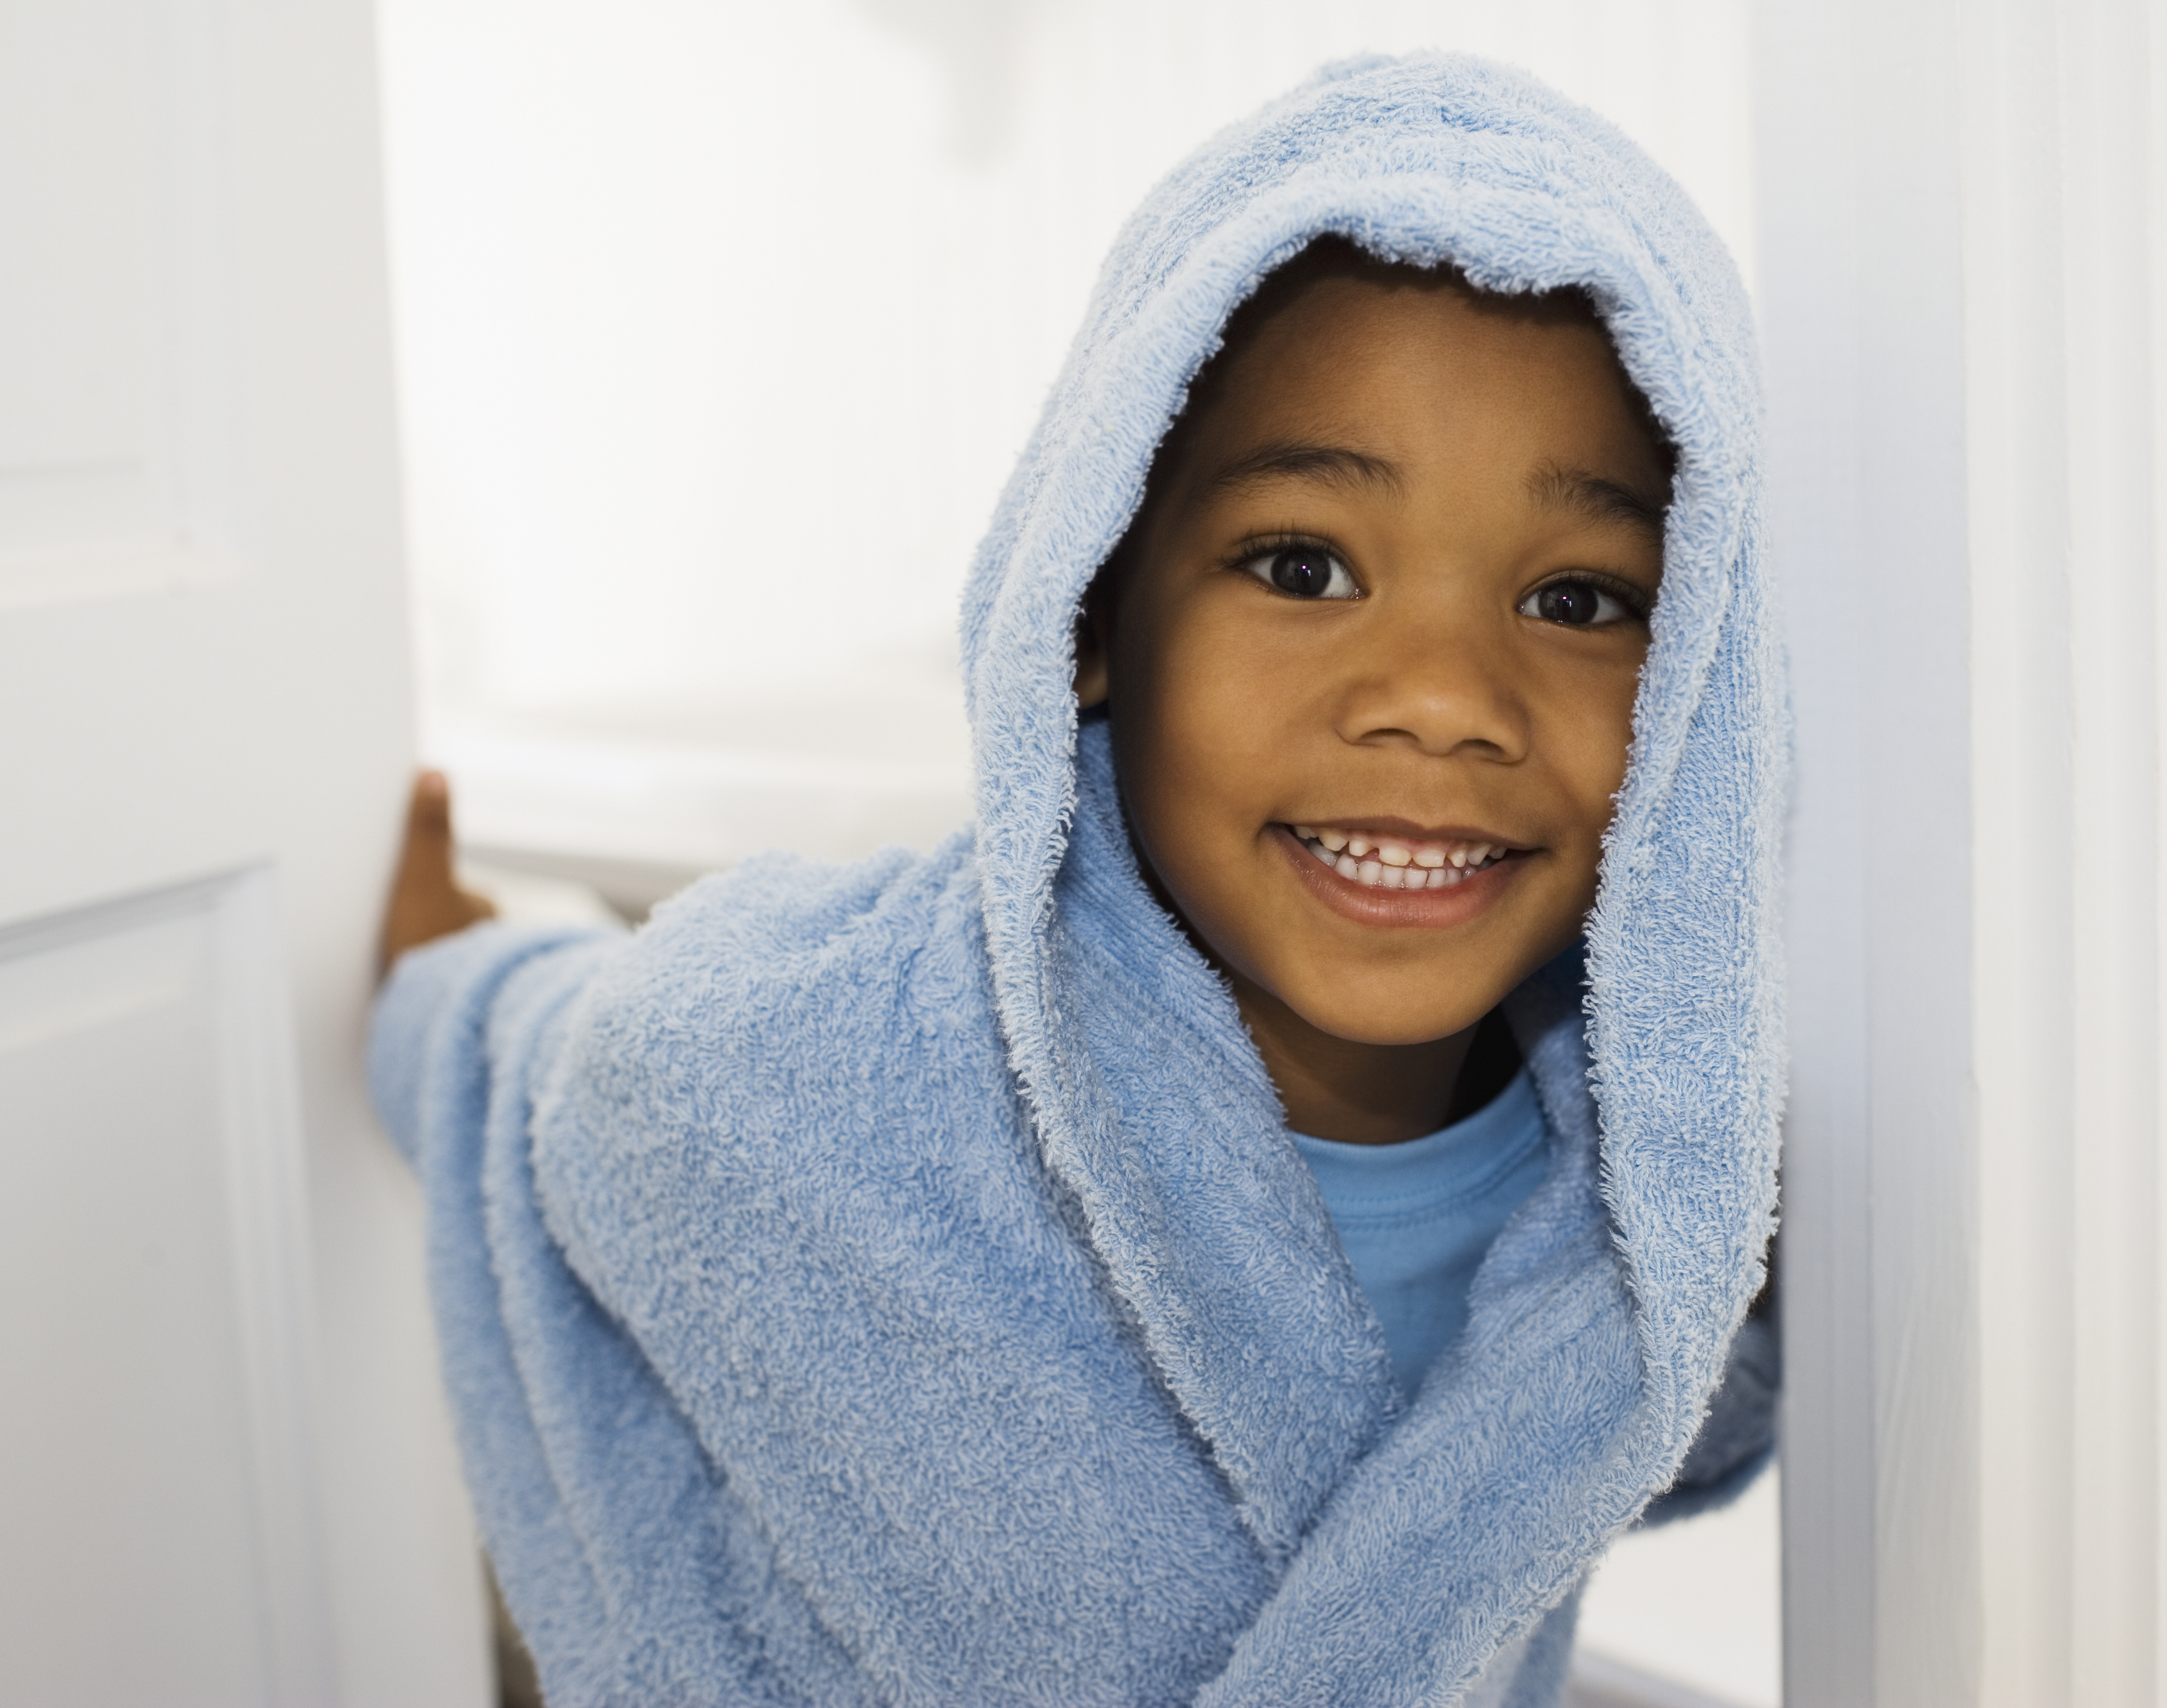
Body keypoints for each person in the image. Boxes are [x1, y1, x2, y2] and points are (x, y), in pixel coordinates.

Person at [373, 52, 1783, 1708]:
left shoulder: (1643, 1180)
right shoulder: (793, 1055)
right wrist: (447, 986)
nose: (1441, 694)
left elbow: (1668, 1422)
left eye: (1580, 599)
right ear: (1092, 614)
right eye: (1302, 565)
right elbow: (569, 1061)